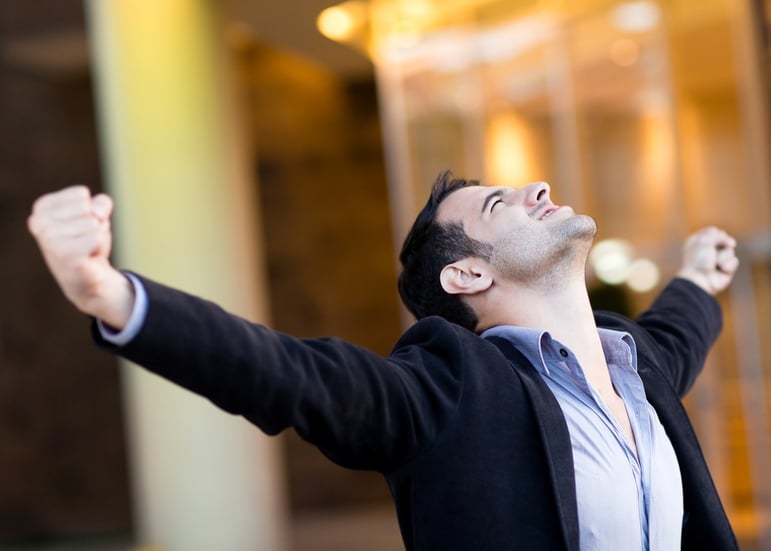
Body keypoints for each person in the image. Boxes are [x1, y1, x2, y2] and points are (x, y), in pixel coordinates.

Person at [28, 171, 739, 550]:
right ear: (466, 276)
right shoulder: (449, 390)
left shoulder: (634, 362)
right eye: (501, 203)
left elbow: (677, 331)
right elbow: (285, 373)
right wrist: (107, 292)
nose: (538, 190)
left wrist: (699, 277)